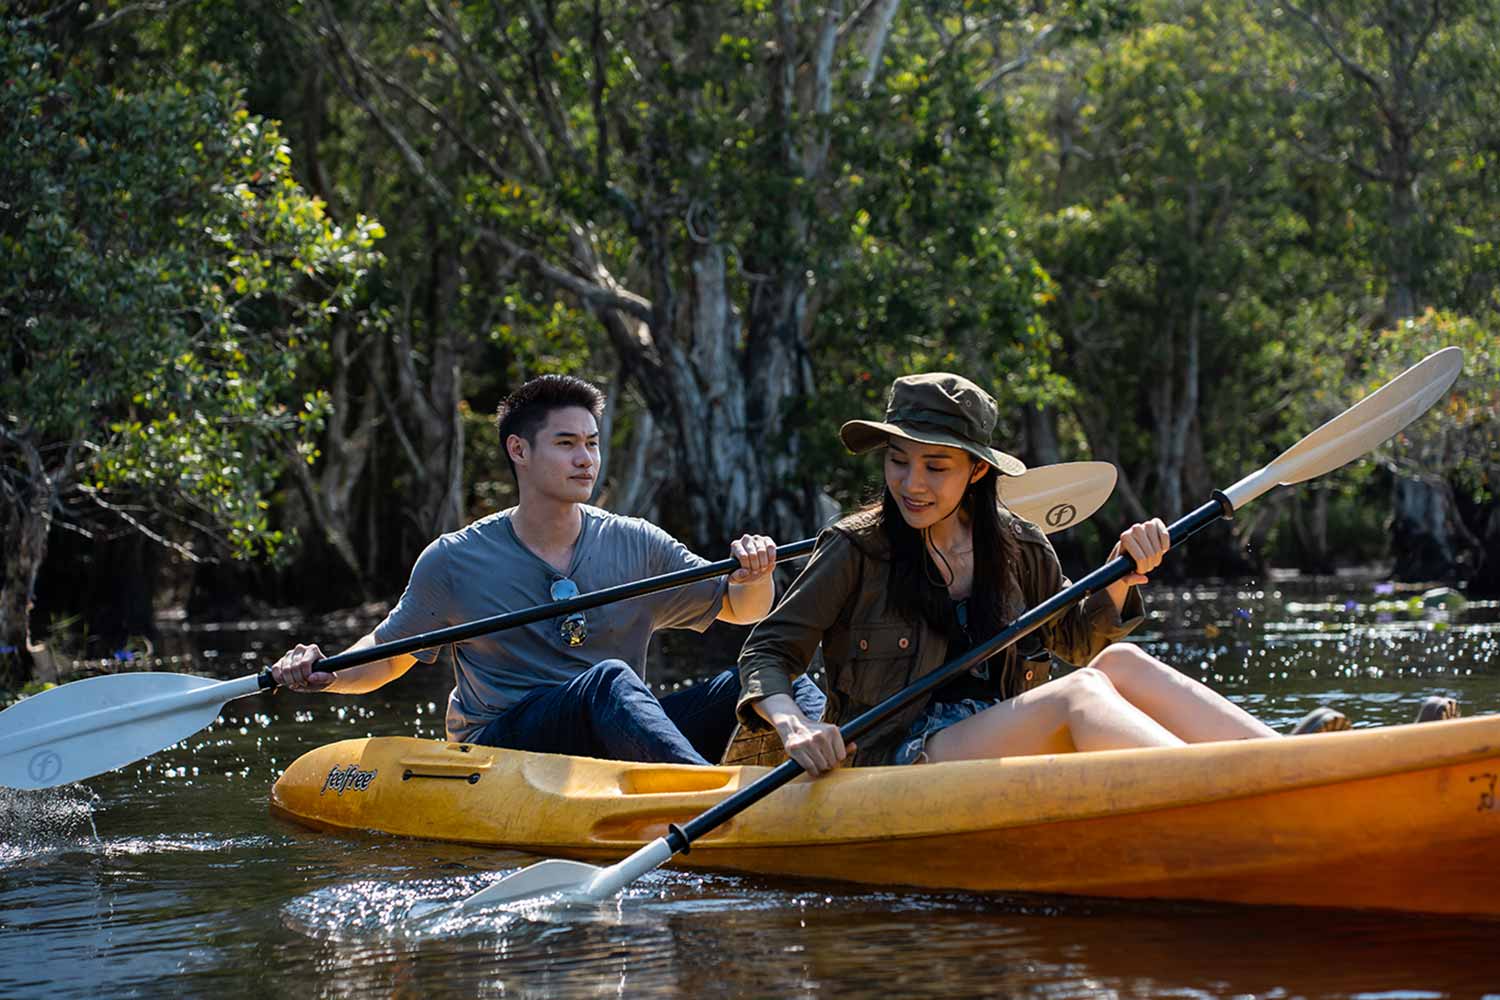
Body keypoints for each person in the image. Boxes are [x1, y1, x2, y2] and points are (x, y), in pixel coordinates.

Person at [732, 372, 1355, 777]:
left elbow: (1076, 640)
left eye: (936, 467)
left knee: (1119, 666)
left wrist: (1118, 576)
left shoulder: (1020, 547)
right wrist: (795, 724)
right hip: (893, 755)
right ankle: (1225, 790)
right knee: (1078, 695)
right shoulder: (854, 548)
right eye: (899, 462)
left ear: (977, 472)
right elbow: (767, 651)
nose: (911, 484)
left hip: (988, 739)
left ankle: (1292, 763)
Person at [271, 374, 824, 765]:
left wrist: (755, 575)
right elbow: (386, 661)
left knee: (770, 683)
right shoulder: (455, 559)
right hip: (507, 746)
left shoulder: (636, 542)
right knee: (608, 682)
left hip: (616, 731)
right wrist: (324, 672)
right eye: (566, 444)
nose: (585, 458)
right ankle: (712, 797)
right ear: (519, 450)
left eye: (591, 443)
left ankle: (863, 770)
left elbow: (742, 609)